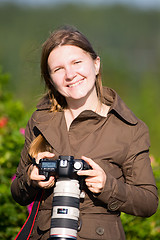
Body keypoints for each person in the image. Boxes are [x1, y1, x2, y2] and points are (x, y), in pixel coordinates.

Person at [11, 25, 158, 240]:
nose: (70, 74)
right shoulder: (40, 120)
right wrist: (31, 179)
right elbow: (17, 192)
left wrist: (108, 185)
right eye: (58, 69)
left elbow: (148, 202)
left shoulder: (128, 128)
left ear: (96, 64)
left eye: (77, 62)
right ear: (50, 78)